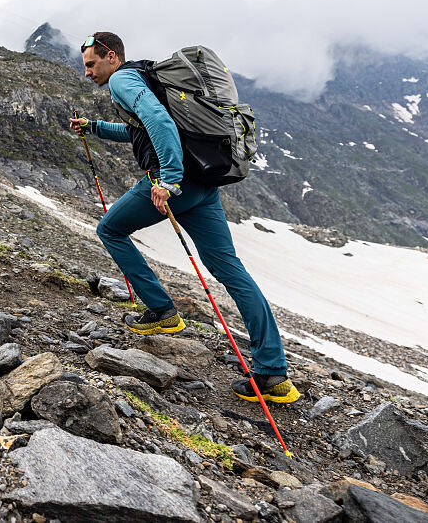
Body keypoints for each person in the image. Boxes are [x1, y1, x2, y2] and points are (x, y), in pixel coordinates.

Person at [70, 32, 299, 404]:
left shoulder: (122, 80)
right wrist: (95, 128)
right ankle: (274, 374)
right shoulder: (144, 77)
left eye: (91, 64)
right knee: (229, 269)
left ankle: (161, 310)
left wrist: (169, 180)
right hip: (204, 183)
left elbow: (160, 123)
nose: (88, 73)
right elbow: (139, 130)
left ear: (111, 57)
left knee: (110, 229)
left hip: (176, 181)